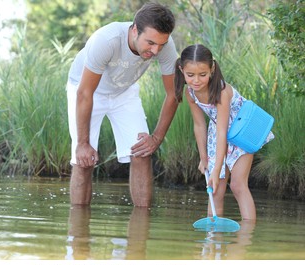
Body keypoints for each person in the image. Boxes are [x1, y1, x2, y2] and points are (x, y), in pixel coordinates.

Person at [67, 2, 179, 207]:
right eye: (150, 43)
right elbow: (85, 93)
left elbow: (173, 94)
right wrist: (83, 144)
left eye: (160, 45)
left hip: (124, 92)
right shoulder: (106, 40)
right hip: (87, 91)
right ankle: (78, 233)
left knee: (142, 152)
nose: (155, 51)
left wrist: (156, 138)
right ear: (135, 29)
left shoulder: (165, 45)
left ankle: (140, 232)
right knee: (83, 161)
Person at [175, 44, 274, 220]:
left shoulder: (220, 90)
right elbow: (199, 125)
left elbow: (223, 130)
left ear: (212, 69)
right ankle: (213, 238)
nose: (196, 80)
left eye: (202, 75)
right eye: (190, 75)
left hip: (240, 130)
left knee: (237, 185)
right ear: (182, 70)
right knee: (215, 188)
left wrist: (217, 169)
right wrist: (204, 158)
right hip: (217, 132)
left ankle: (246, 238)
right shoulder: (190, 92)